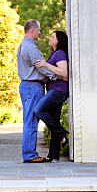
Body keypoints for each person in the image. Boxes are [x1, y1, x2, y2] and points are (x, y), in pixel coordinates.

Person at [16, 19, 56, 163]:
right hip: (33, 86)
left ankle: (29, 154)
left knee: (29, 120)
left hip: (27, 86)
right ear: (32, 30)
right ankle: (30, 155)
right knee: (31, 121)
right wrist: (57, 76)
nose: (40, 32)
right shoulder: (31, 48)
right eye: (38, 30)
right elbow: (42, 67)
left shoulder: (23, 45)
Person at [34, 30, 70, 162]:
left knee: (39, 110)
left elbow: (63, 72)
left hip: (58, 91)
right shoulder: (55, 53)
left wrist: (45, 64)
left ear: (58, 40)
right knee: (54, 120)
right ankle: (53, 155)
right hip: (55, 90)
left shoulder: (60, 53)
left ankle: (61, 133)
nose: (50, 38)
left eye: (52, 36)